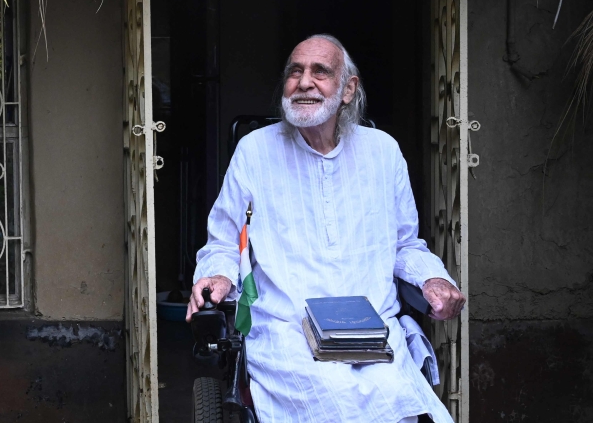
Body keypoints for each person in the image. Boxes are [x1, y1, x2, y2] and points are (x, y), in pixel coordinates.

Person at [186, 34, 466, 423]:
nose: (303, 82)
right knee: (329, 394)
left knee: (394, 396)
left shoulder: (383, 151)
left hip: (372, 330)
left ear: (348, 89)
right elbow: (225, 239)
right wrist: (216, 275)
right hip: (287, 329)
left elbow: (404, 244)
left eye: (320, 72)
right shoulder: (254, 151)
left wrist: (433, 278)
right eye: (294, 72)